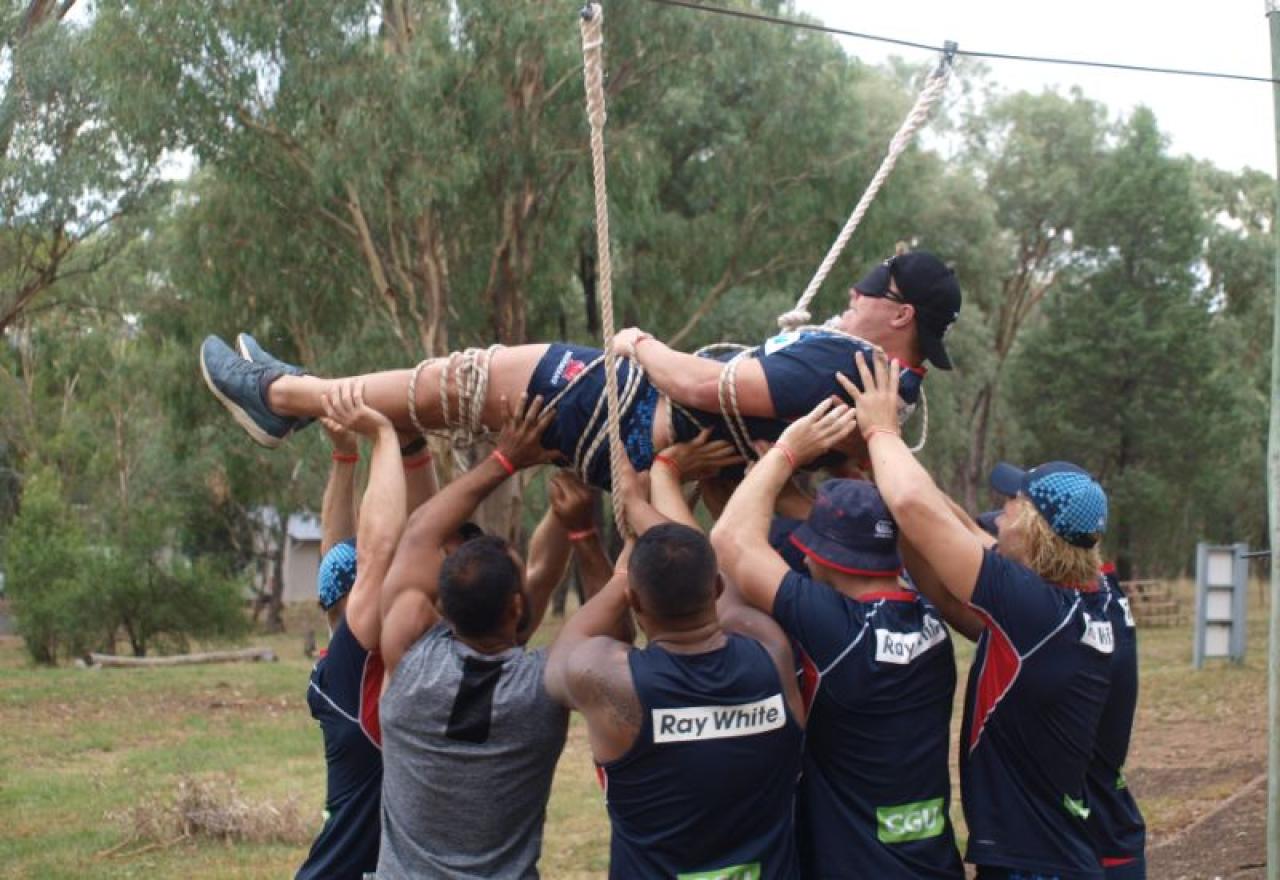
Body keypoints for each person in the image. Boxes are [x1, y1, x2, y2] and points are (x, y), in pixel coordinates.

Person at [198, 251, 961, 489]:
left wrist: (639, 343)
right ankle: (294, 390)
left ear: (900, 317)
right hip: (632, 422)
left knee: (456, 381)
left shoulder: (847, 369)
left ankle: (280, 396)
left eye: (870, 285)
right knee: (436, 396)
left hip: (622, 408)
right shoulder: (887, 388)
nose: (853, 291)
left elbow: (702, 387)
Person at [842, 350, 1116, 880]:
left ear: (1033, 531)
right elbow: (948, 557)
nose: (1000, 513)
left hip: (1035, 866)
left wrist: (882, 433)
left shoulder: (1032, 609)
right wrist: (884, 475)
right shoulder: (1075, 600)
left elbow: (922, 511)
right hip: (1052, 855)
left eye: (1012, 504)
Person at [710, 405, 964, 879]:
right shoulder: (928, 615)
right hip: (931, 862)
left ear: (827, 558)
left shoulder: (837, 629)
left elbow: (730, 541)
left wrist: (787, 452)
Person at [544, 466, 807, 879]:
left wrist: (620, 565)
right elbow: (720, 572)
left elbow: (560, 658)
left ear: (634, 600)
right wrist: (640, 508)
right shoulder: (772, 655)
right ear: (715, 591)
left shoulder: (614, 682)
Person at [373, 394, 583, 880]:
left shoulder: (407, 662)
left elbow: (419, 533)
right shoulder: (541, 689)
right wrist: (583, 529)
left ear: (441, 604)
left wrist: (505, 459)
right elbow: (586, 603)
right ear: (516, 607)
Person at [296, 377, 427, 880]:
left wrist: (344, 459)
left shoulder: (343, 663)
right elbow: (378, 551)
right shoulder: (361, 670)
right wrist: (388, 439)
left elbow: (341, 558)